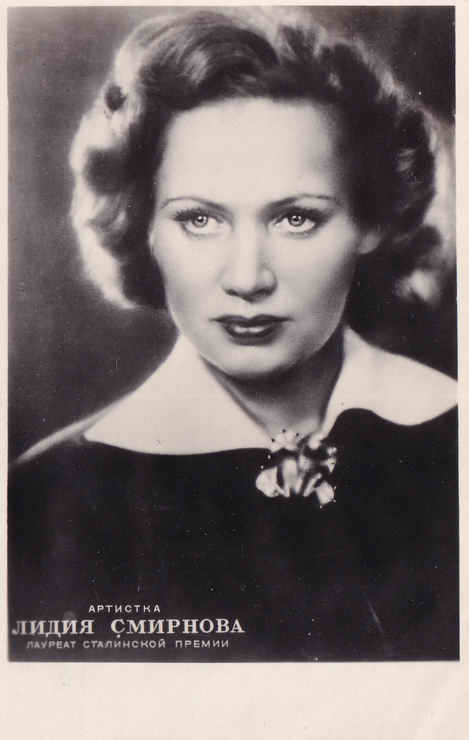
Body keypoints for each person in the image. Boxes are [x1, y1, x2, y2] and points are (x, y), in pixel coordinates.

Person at [9, 7, 457, 662]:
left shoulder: (452, 431)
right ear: (142, 225)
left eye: (296, 218)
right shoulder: (45, 504)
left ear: (372, 221)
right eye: (199, 220)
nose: (248, 278)